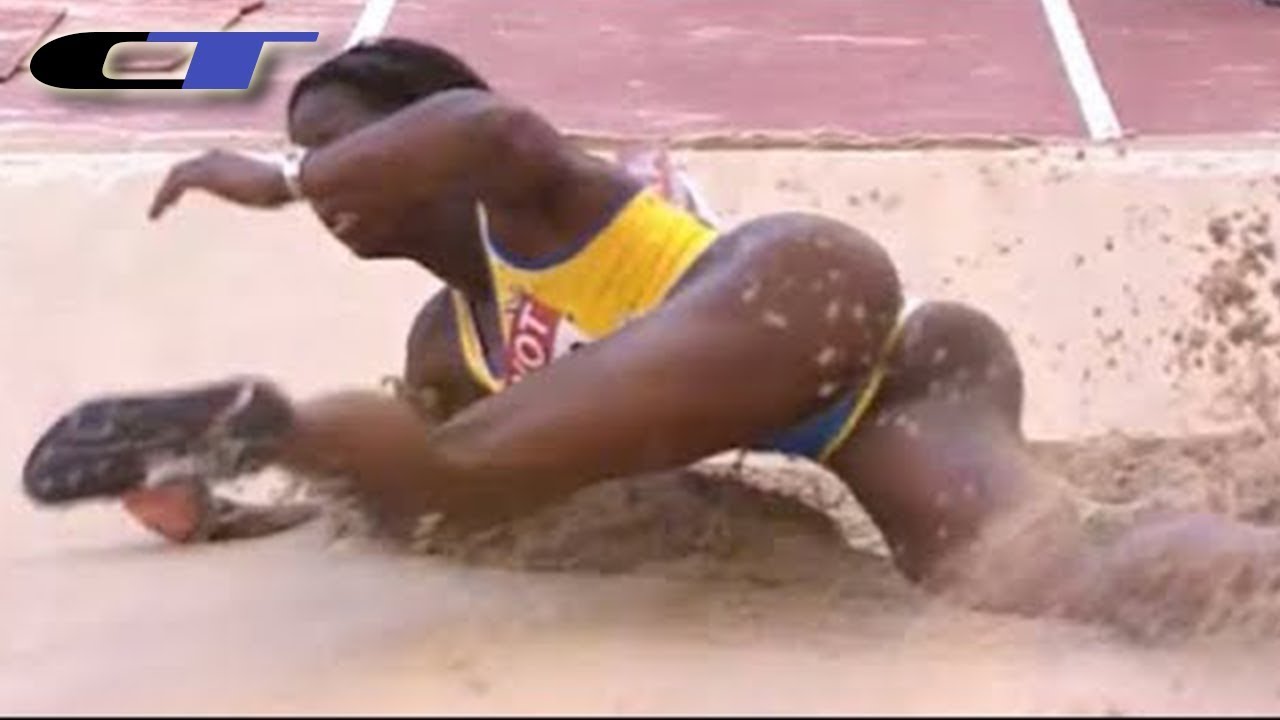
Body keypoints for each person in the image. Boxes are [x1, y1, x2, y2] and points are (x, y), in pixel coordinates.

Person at [23, 38, 1280, 635]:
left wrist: (284, 180)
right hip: (887, 392)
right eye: (315, 159)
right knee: (1046, 572)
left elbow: (488, 122)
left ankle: (251, 420)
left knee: (461, 462)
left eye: (349, 148)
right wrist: (237, 517)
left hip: (792, 289)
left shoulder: (526, 193)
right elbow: (417, 494)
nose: (335, 184)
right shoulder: (444, 346)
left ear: (412, 138)